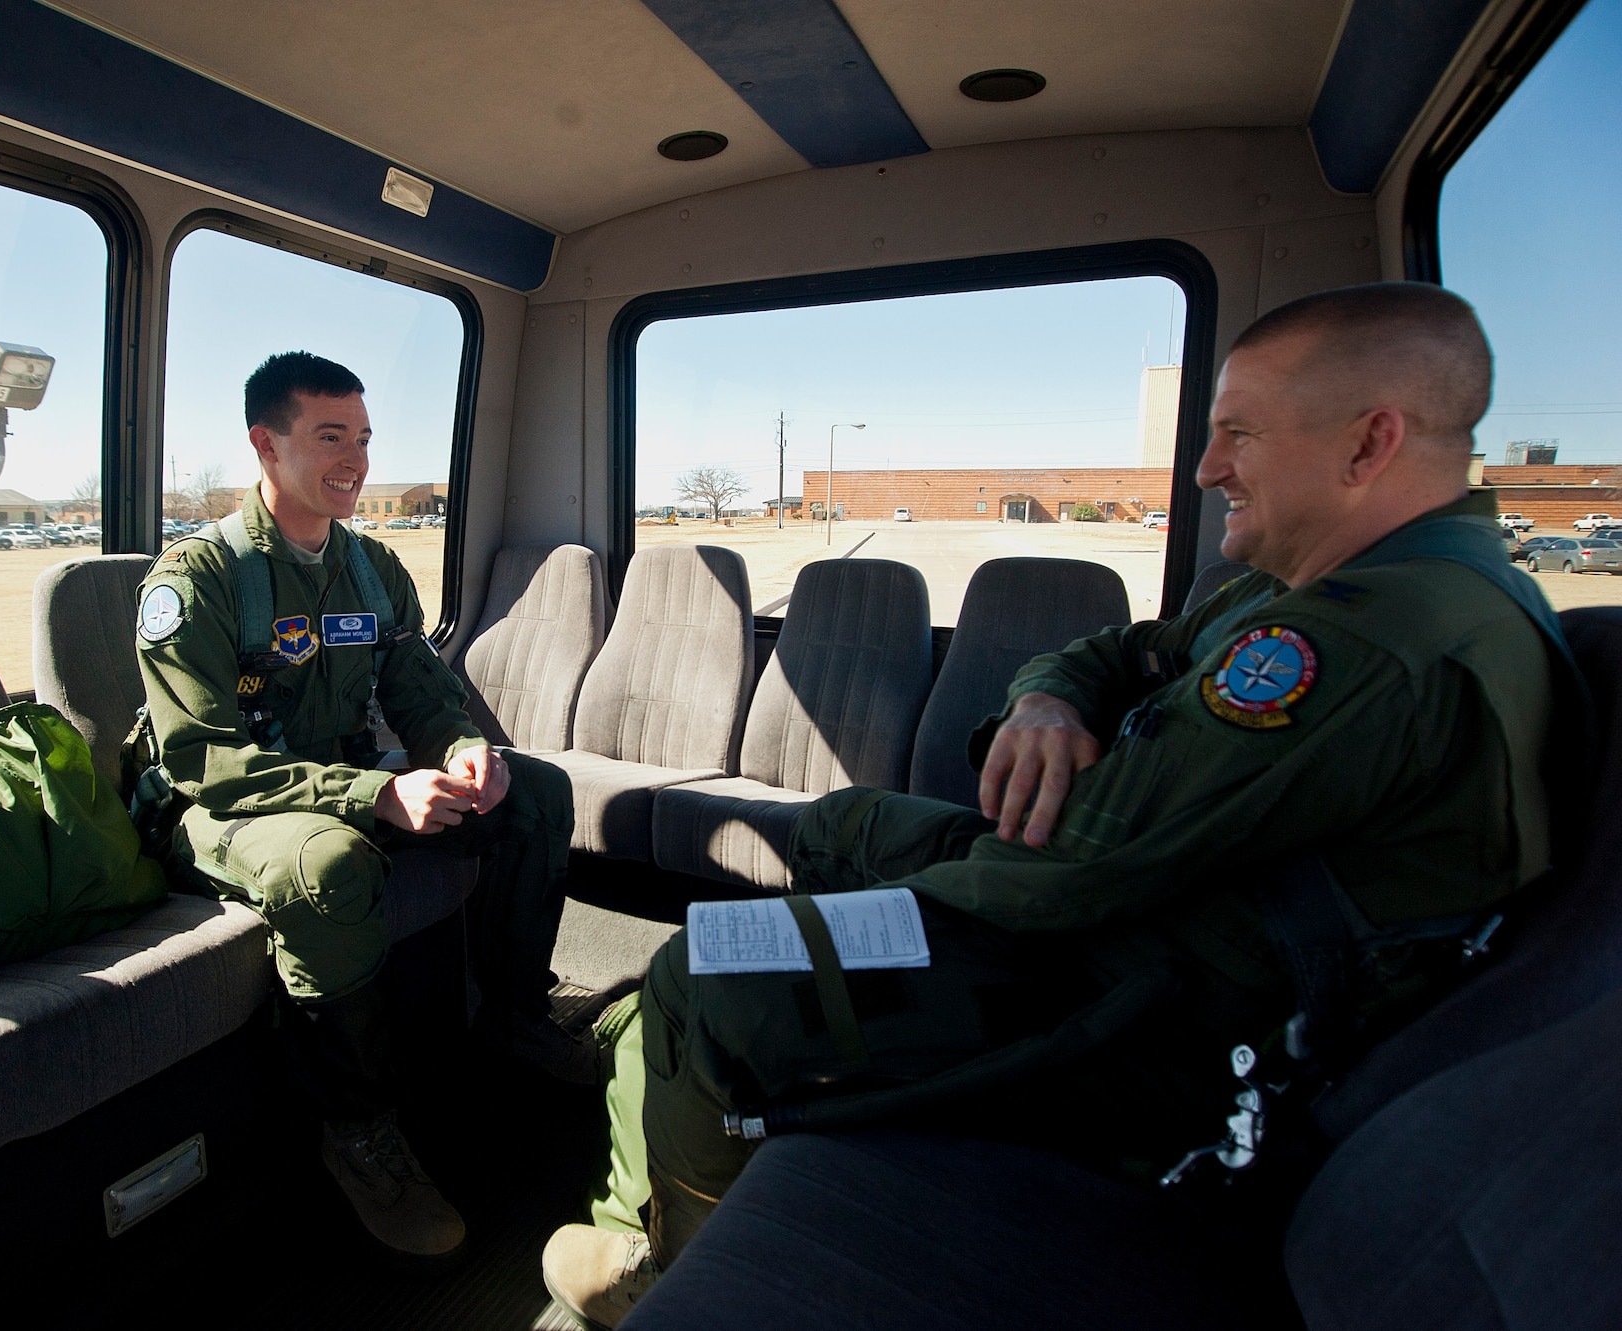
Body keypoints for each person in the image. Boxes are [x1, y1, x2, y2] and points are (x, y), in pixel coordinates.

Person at [541, 283, 1585, 1328]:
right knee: (838, 821)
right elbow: (1116, 649)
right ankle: (729, 1054)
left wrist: (910, 905)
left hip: (1155, 999)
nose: (1206, 467)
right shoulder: (1302, 589)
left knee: (705, 969)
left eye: (1236, 434)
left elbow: (1064, 876)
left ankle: (664, 1261)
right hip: (1127, 900)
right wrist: (1045, 698)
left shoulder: (1363, 643)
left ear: (1368, 443)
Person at [135, 351, 587, 1261]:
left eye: (365, 438)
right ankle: (359, 1131)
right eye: (330, 436)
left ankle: (512, 1019)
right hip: (219, 804)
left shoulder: (373, 568)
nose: (355, 460)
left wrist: (462, 750)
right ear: (266, 444)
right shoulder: (195, 582)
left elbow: (420, 690)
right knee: (331, 864)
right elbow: (202, 759)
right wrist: (374, 793)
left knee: (535, 792)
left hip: (330, 775)